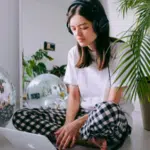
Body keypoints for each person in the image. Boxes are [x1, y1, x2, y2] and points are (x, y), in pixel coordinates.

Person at [12, 0, 134, 149]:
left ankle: (78, 135)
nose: (78, 34)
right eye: (73, 28)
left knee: (107, 109)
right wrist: (68, 125)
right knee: (21, 115)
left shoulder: (121, 50)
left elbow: (112, 101)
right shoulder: (74, 53)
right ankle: (84, 139)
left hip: (110, 117)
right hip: (82, 113)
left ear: (99, 25)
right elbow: (74, 96)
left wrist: (76, 124)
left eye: (84, 27)